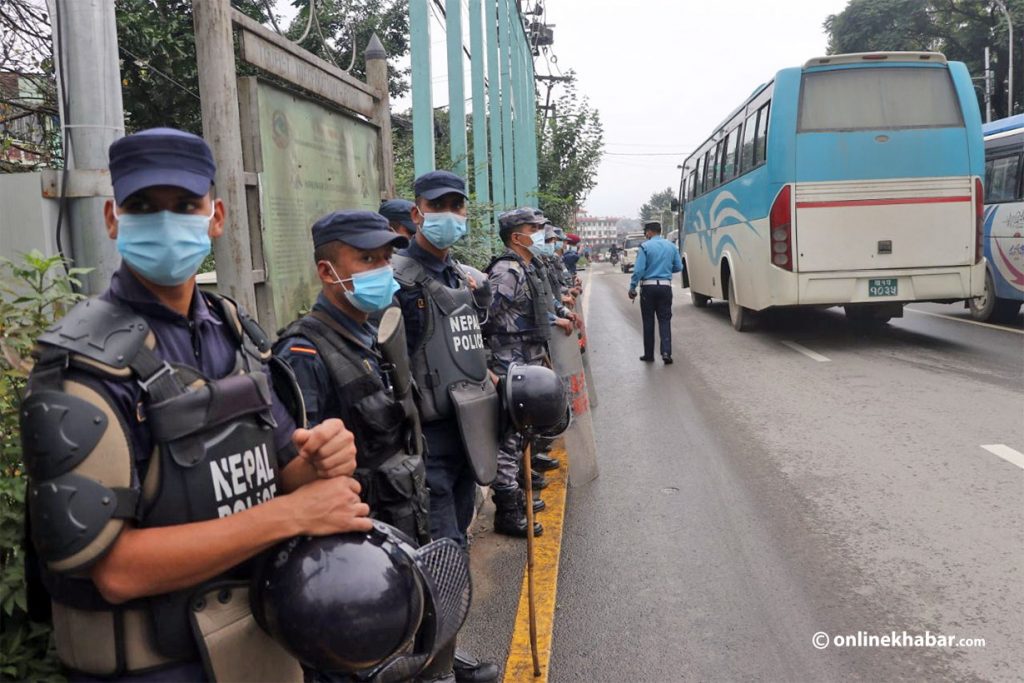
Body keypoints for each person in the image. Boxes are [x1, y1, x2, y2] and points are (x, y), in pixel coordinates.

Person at [20, 128, 371, 682]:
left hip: (259, 645)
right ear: (113, 218)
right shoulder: (81, 366)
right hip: (154, 668)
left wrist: (320, 461)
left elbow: (280, 472)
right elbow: (114, 569)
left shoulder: (231, 332)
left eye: (185, 205)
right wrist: (291, 515)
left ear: (217, 216)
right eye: (142, 206)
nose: (165, 222)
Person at [390, 170, 501, 683]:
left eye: (458, 206)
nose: (450, 216)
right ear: (417, 213)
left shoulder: (460, 276)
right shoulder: (399, 281)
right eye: (440, 207)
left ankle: (442, 653)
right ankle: (432, 668)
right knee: (439, 555)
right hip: (427, 441)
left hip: (464, 432)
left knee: (454, 547)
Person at [274, 210, 430, 546]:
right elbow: (297, 471)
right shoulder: (304, 353)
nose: (383, 269)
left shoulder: (368, 335)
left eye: (386, 258)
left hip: (399, 524)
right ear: (326, 272)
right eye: (367, 258)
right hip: (354, 547)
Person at [483, 208, 573, 537]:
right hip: (510, 360)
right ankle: (507, 509)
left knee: (522, 431)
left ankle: (519, 492)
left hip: (527, 356)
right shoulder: (507, 270)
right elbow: (484, 315)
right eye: (532, 228)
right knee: (509, 434)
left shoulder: (527, 266)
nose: (539, 233)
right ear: (515, 235)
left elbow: (542, 307)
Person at [628, 220, 683, 364]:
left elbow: (639, 270)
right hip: (665, 287)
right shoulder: (671, 246)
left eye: (646, 232)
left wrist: (632, 287)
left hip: (648, 288)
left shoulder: (645, 247)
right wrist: (664, 270)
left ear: (650, 232)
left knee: (648, 321)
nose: (646, 235)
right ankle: (666, 353)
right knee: (665, 320)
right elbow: (679, 266)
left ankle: (649, 355)